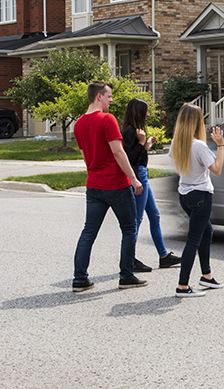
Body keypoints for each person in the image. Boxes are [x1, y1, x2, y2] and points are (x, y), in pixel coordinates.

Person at [72, 81, 147, 292]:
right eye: (109, 96)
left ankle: (80, 279)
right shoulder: (107, 119)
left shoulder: (78, 124)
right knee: (129, 228)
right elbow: (118, 151)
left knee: (89, 231)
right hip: (116, 185)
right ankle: (126, 276)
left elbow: (86, 156)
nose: (111, 100)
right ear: (99, 97)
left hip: (94, 185)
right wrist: (133, 178)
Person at [170, 103, 224, 298]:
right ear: (196, 122)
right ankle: (182, 286)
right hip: (200, 197)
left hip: (185, 196)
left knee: (206, 231)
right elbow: (217, 169)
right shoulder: (199, 146)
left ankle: (206, 276)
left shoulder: (177, 144)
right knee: (193, 239)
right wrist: (220, 145)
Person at [121, 98, 181, 272]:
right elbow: (129, 157)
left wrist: (146, 145)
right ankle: (129, 259)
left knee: (154, 215)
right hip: (139, 176)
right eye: (146, 111)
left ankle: (164, 256)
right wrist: (141, 143)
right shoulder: (129, 132)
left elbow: (137, 155)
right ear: (138, 112)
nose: (148, 114)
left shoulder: (137, 132)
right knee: (136, 220)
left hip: (143, 175)